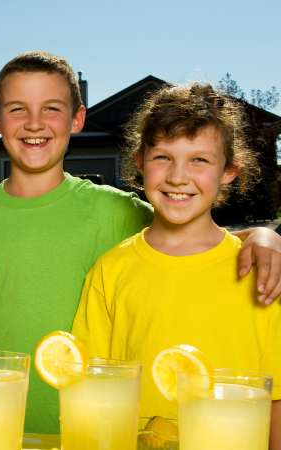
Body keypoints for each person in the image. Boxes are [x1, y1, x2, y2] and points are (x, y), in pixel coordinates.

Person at [0, 51, 281, 434]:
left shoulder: (115, 210)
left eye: (51, 108)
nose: (35, 123)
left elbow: (194, 240)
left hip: (83, 427)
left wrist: (264, 237)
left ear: (77, 118)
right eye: (18, 109)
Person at [72, 82, 280, 446]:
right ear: (139, 162)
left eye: (199, 159)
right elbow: (91, 389)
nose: (178, 176)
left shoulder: (262, 270)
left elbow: (275, 395)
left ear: (230, 170)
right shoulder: (110, 270)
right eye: (162, 157)